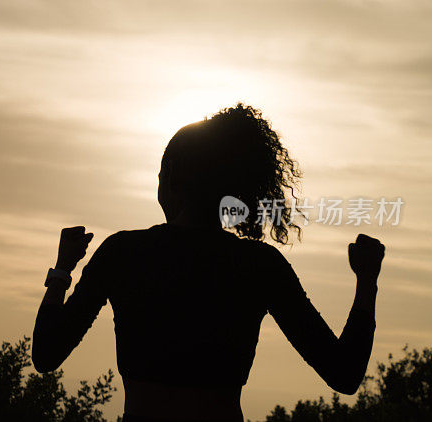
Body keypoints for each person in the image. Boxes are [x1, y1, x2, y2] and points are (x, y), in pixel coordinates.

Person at [31, 104, 385, 422]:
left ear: (170, 176)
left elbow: (46, 354)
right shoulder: (259, 266)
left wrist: (63, 270)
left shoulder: (122, 253)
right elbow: (344, 373)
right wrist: (367, 281)